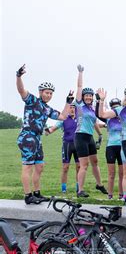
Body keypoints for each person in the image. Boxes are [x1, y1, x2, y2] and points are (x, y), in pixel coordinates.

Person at [15, 64, 71, 204]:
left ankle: (37, 193)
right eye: (46, 92)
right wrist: (18, 76)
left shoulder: (47, 108)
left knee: (39, 166)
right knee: (27, 166)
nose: (49, 95)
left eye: (51, 93)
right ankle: (28, 196)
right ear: (40, 92)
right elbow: (21, 90)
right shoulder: (32, 100)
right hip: (27, 136)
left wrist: (68, 102)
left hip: (37, 138)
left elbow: (63, 116)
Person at [74, 65, 107, 198]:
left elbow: (94, 123)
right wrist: (81, 73)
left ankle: (99, 184)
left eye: (90, 96)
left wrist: (100, 133)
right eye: (86, 95)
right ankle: (80, 190)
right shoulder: (79, 105)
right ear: (83, 96)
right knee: (84, 164)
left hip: (89, 137)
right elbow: (79, 87)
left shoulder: (93, 109)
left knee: (95, 161)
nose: (88, 97)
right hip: (80, 136)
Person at [45, 103, 80, 194]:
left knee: (79, 167)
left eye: (73, 108)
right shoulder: (63, 119)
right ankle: (64, 189)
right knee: (65, 167)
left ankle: (79, 188)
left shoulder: (80, 119)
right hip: (67, 145)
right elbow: (53, 129)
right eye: (70, 108)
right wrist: (48, 131)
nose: (72, 109)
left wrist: (104, 125)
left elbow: (92, 123)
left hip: (78, 145)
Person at [95, 97, 124, 200]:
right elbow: (98, 114)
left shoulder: (124, 116)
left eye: (117, 107)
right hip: (111, 147)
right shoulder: (108, 117)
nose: (115, 109)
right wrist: (99, 101)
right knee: (111, 174)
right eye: (113, 107)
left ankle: (121, 195)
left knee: (122, 174)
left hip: (122, 146)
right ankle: (110, 196)